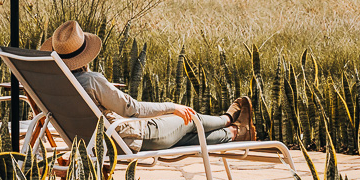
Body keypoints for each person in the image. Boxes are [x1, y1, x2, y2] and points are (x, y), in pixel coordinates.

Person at [41, 20, 256, 153]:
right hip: (126, 138)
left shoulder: (54, 84)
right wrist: (172, 107)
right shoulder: (91, 81)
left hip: (93, 144)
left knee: (186, 138)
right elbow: (132, 109)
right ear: (85, 54)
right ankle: (228, 119)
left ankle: (236, 132)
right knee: (189, 118)